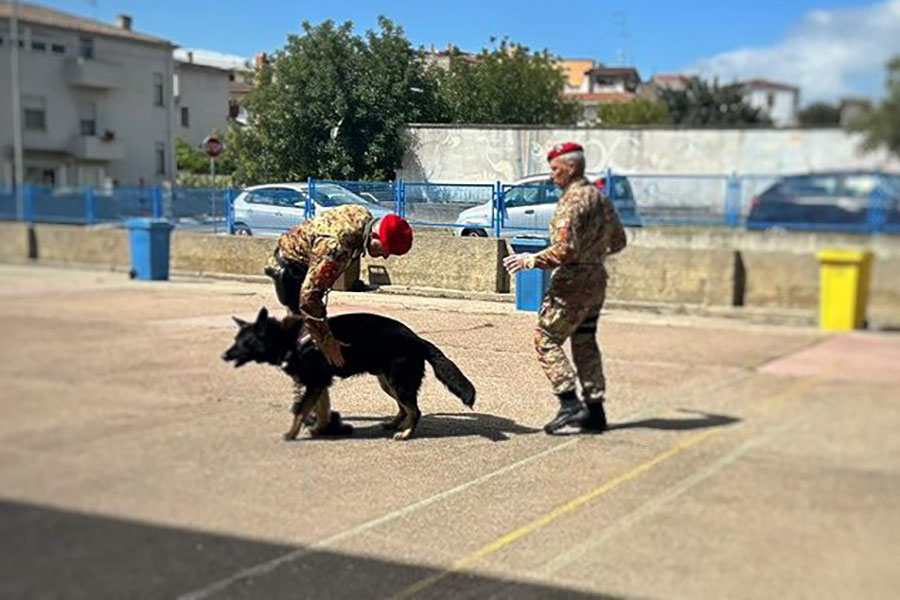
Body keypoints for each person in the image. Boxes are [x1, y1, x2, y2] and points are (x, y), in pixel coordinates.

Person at [503, 142, 626, 434]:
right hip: (596, 281)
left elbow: (565, 250)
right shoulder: (600, 198)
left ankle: (569, 401)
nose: (551, 175)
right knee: (585, 342)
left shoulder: (571, 202)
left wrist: (531, 260)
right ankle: (595, 412)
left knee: (545, 337)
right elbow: (619, 241)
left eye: (555, 169)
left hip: (572, 284)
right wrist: (594, 255)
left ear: (570, 169)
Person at [265, 204, 413, 434]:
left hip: (303, 259)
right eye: (386, 249)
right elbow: (309, 297)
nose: (385, 256)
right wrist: (327, 340)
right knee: (309, 348)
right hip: (293, 270)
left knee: (313, 341)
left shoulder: (363, 217)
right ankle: (313, 413)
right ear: (374, 234)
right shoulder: (338, 246)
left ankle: (317, 412)